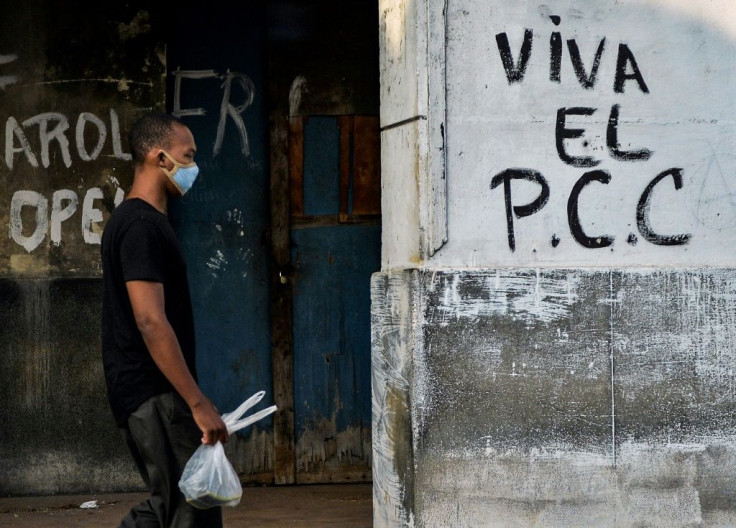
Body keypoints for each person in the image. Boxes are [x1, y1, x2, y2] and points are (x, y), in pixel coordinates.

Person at [101, 112, 229, 528]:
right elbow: (150, 321)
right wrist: (197, 403)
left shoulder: (139, 221)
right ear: (160, 158)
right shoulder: (140, 225)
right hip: (154, 392)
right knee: (188, 507)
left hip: (149, 391)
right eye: (187, 156)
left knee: (178, 506)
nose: (194, 167)